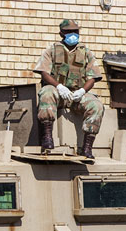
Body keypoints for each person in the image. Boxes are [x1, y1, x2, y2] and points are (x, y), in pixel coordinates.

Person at [33, 19, 104, 158]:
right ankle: (47, 137)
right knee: (47, 93)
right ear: (61, 33)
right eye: (69, 32)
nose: (73, 34)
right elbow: (43, 72)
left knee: (97, 105)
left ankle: (87, 147)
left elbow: (93, 77)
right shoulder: (52, 50)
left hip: (77, 95)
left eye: (75, 31)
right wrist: (58, 86)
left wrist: (83, 91)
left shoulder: (86, 52)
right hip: (58, 94)